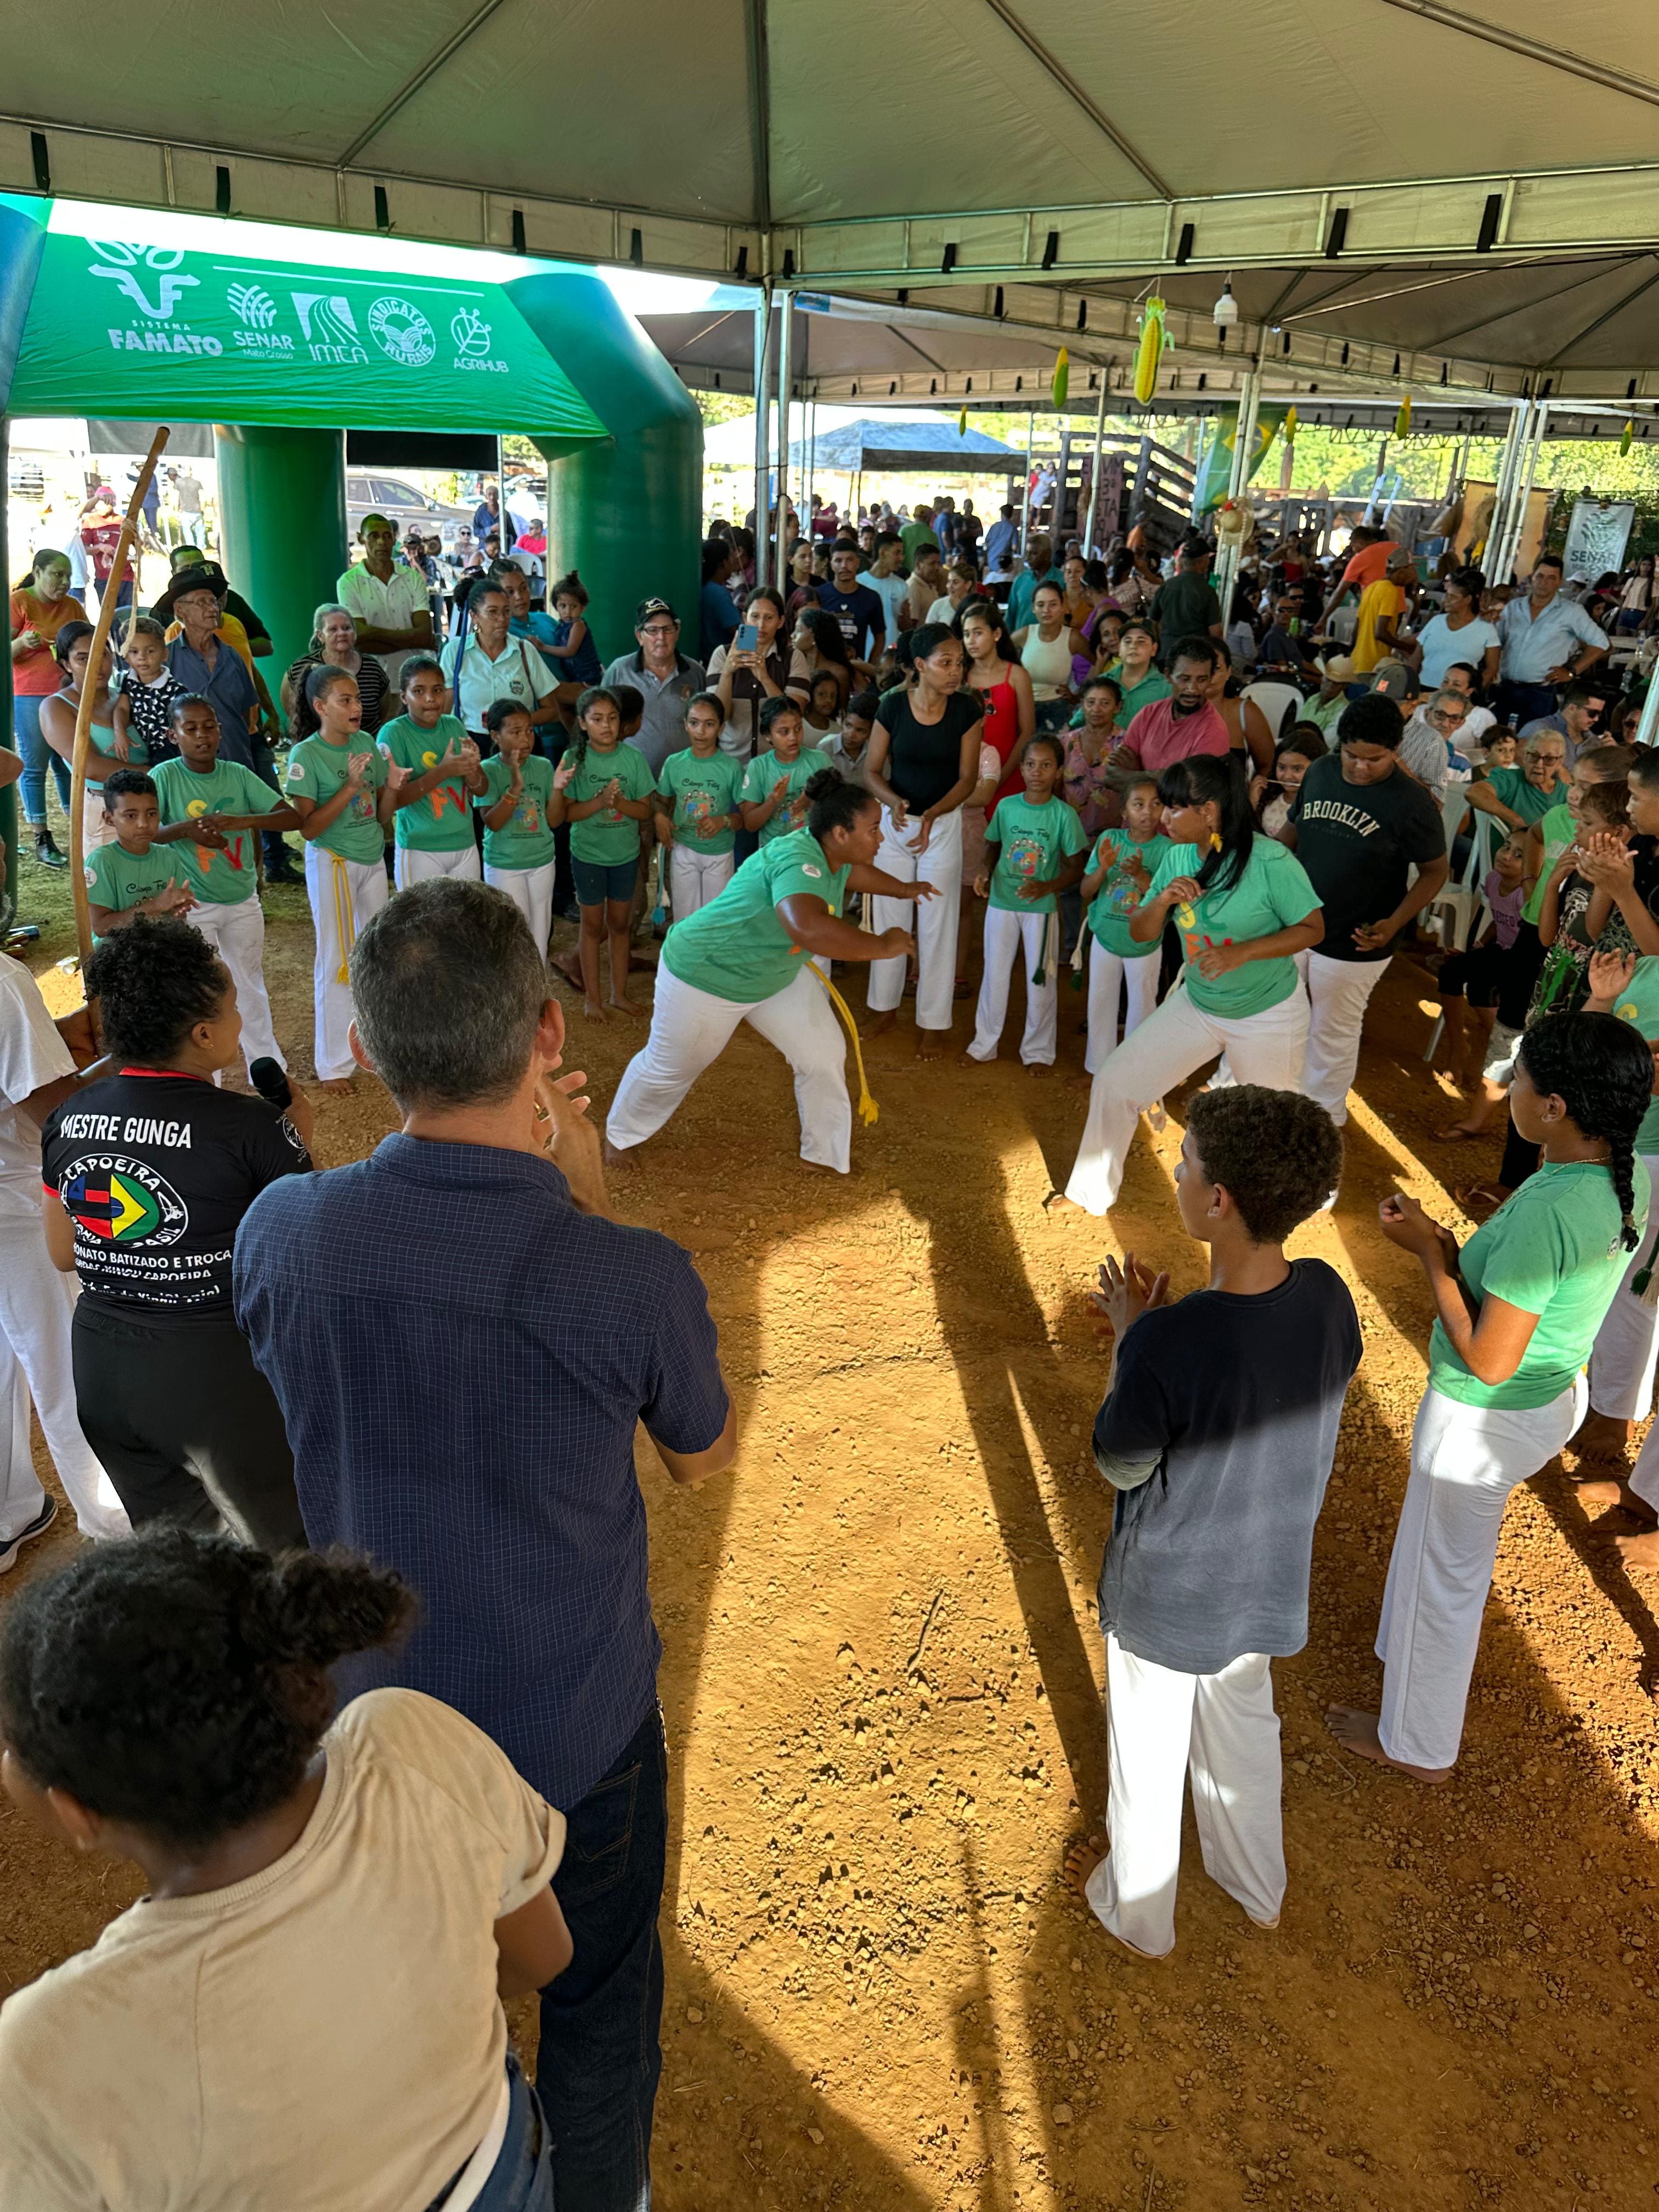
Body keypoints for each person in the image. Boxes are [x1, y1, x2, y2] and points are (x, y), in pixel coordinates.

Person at [235, 879, 734, 2204]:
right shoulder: (628, 1276)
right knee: (601, 2002)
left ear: (368, 1046)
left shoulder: (281, 1232)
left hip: (372, 1730)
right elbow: (700, 1459)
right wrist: (585, 1202)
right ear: (548, 1033)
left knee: (419, 1993)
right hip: (576, 1727)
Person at [0, 1528, 572, 2212]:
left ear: (78, 1814)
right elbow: (543, 1956)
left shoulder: (52, 2053)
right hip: (505, 2171)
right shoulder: (410, 1741)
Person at [1065, 1086, 1358, 1958]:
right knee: (1244, 1730)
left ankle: (1139, 1917)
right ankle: (1257, 1887)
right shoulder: (1328, 1295)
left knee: (1147, 1754)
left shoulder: (1171, 1342)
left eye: (1185, 1165)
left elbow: (1120, 1462)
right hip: (1265, 1580)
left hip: (1169, 1595)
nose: (1178, 1176)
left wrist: (1133, 1341)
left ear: (1219, 1200)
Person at [1329, 1011, 1651, 1780]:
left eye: (1520, 1078)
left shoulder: (1552, 1208)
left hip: (1483, 1417)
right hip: (1550, 1394)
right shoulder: (1619, 1171)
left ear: (1556, 1107)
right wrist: (1449, 1246)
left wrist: (1429, 1257)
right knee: (1432, 1548)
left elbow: (1489, 1359)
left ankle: (1418, 1745)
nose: (1508, 1087)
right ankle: (1400, 1654)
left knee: (1448, 1580)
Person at [39, 921, 311, 1547]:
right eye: (233, 1009)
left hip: (104, 1369)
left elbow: (62, 1252)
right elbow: (299, 1249)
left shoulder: (67, 1116)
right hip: (215, 1376)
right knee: (277, 1557)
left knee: (178, 1560)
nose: (239, 1022)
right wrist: (298, 1138)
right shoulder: (252, 1127)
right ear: (203, 1034)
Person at [608, 771, 929, 1172]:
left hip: (773, 973)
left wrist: (904, 889)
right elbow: (806, 927)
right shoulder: (798, 860)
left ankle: (824, 1154)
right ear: (840, 834)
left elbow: (851, 873)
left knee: (823, 1055)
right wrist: (882, 946)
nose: (881, 839)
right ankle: (620, 1136)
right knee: (671, 1067)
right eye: (874, 830)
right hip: (707, 975)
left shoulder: (831, 854)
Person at [1059, 753, 1323, 1217]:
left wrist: (1242, 952)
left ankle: (1275, 1216)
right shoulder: (1177, 856)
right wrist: (1161, 900)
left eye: (1175, 807)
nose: (1163, 816)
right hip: (1199, 1004)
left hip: (1267, 1015)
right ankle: (1088, 1193)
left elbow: (1312, 929)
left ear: (1210, 812)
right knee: (1116, 1083)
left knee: (1273, 1124)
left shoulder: (1270, 860)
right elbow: (1140, 934)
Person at [0, 885, 128, 1556]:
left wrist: (57, 1036)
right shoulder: (3, 979)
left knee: (8, 1354)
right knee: (66, 1364)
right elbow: (58, 1114)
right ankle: (117, 1531)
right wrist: (130, 1059)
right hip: (15, 1198)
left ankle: (7, 1511)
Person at [1283, 693, 1448, 1126]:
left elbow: (1435, 872)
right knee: (1284, 1016)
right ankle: (1281, 1103)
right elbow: (1291, 834)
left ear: (1397, 750)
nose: (1360, 767)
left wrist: (1395, 923)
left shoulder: (1412, 803)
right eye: (1351, 755)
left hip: (1358, 935)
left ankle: (1322, 1121)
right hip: (1298, 922)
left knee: (1332, 1031)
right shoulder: (1320, 771)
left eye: (1375, 759)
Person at [151, 694, 299, 1074]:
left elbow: (291, 818)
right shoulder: (164, 777)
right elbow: (147, 832)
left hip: (241, 898)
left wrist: (242, 821)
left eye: (209, 727)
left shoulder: (238, 774)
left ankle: (267, 1068)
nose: (202, 736)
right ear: (173, 735)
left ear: (220, 731)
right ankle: (204, 1077)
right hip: (191, 903)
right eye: (191, 728)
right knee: (198, 990)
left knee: (249, 983)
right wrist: (187, 830)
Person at [860, 625, 983, 1058]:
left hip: (943, 825)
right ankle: (884, 1008)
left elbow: (967, 779)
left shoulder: (967, 710)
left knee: (937, 923)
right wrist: (894, 803)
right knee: (890, 916)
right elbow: (871, 771)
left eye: (959, 663)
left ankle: (934, 1022)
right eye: (945, 663)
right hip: (896, 825)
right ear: (919, 666)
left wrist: (933, 814)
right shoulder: (892, 707)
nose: (955, 671)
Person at [283, 666, 397, 1090]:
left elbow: (381, 815)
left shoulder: (366, 742)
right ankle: (333, 1064)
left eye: (358, 699)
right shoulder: (306, 755)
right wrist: (349, 787)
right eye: (345, 700)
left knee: (376, 955)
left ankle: (375, 1047)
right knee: (336, 960)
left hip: (371, 858)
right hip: (334, 862)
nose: (357, 707)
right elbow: (309, 829)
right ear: (320, 707)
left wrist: (394, 786)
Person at [963, 734, 1088, 1071]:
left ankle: (1038, 1052)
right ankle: (983, 1045)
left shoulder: (1063, 815)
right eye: (1031, 764)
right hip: (1002, 903)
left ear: (1059, 771)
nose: (1037, 772)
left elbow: (1076, 867)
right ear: (1021, 768)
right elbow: (993, 845)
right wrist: (984, 870)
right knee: (994, 975)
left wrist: (1048, 886)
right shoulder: (1007, 807)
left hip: (1041, 910)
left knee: (1041, 980)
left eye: (1046, 766)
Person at [551, 685, 657, 1020]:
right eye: (597, 719)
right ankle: (593, 1000)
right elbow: (566, 814)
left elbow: (645, 811)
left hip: (625, 856)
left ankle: (618, 995)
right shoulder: (574, 759)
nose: (606, 726)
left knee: (620, 926)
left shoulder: (633, 758)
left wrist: (619, 803)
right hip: (589, 857)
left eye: (612, 718)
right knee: (592, 927)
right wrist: (599, 802)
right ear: (583, 723)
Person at [1079, 773, 1171, 1075]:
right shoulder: (1110, 840)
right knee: (1100, 1004)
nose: (1147, 812)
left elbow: (1164, 899)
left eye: (1156, 804)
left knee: (1142, 1007)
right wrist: (1103, 869)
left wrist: (1142, 876)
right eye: (1138, 804)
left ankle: (1133, 1074)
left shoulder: (1168, 849)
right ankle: (1099, 1069)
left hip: (1144, 943)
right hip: (1106, 937)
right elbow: (1086, 891)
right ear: (1124, 812)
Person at [376, 655, 487, 888]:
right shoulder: (393, 733)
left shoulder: (454, 725)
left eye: (437, 690)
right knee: (421, 913)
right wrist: (443, 771)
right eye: (419, 691)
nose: (430, 698)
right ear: (404, 697)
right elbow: (392, 801)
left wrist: (472, 769)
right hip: (420, 847)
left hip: (465, 843)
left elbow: (481, 789)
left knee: (465, 912)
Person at [10, 546, 84, 867]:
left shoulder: (73, 606)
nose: (65, 582)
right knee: (34, 765)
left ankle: (79, 829)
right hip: (30, 694)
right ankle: (41, 836)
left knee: (70, 762)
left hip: (68, 694)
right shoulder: (19, 602)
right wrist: (20, 644)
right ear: (38, 572)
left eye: (68, 576)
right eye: (57, 574)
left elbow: (88, 643)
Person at [476, 700, 560, 955]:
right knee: (512, 934)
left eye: (529, 731)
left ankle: (539, 980)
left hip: (542, 861)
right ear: (495, 736)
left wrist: (559, 789)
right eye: (515, 732)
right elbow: (493, 822)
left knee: (540, 932)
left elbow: (554, 820)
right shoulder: (488, 770)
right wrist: (515, 788)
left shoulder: (543, 766)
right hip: (505, 864)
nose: (525, 739)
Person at [40, 622, 130, 850]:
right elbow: (90, 767)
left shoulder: (125, 697)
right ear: (66, 665)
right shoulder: (56, 707)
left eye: (102, 654)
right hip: (105, 812)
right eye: (83, 659)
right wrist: (160, 774)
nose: (96, 664)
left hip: (154, 808)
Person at [1494, 553, 1609, 731]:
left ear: (1559, 582)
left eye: (1551, 578)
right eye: (1540, 576)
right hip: (1506, 687)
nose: (1544, 582)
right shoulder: (1513, 607)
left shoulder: (1571, 612)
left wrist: (1571, 672)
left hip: (1540, 692)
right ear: (1532, 578)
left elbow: (1600, 643)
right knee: (1498, 739)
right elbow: (1496, 642)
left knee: (1531, 741)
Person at [656, 691, 745, 918]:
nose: (701, 731)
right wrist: (660, 817)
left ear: (721, 728)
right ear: (685, 724)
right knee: (685, 917)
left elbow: (743, 819)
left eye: (709, 724)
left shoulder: (731, 768)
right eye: (694, 723)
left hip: (719, 854)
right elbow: (661, 801)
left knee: (715, 918)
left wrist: (723, 820)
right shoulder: (674, 763)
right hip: (683, 849)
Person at [160, 567, 260, 768]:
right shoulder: (167, 659)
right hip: (191, 772)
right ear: (181, 611)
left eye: (214, 601)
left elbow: (246, 714)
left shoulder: (233, 656)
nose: (213, 609)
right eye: (202, 602)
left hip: (237, 763)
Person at [442, 580, 561, 744]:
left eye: (506, 611)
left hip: (520, 744)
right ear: (475, 617)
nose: (502, 619)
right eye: (493, 612)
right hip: (472, 745)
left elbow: (552, 710)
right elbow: (444, 712)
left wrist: (515, 723)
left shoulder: (524, 651)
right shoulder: (456, 652)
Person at [83, 771, 195, 942]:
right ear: (109, 819)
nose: (143, 824)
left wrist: (178, 908)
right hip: (117, 952)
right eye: (131, 816)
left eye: (151, 814)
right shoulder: (102, 861)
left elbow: (177, 917)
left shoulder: (169, 856)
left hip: (159, 947)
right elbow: (101, 927)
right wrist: (155, 906)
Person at [599, 599, 707, 776]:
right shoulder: (619, 671)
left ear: (677, 632)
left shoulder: (696, 673)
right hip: (631, 777)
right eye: (652, 630)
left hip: (685, 779)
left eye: (667, 629)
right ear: (639, 636)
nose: (661, 638)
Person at [336, 514, 434, 688]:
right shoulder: (349, 582)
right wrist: (411, 640)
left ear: (394, 539)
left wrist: (371, 632)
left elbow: (424, 635)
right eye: (374, 536)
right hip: (370, 684)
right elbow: (358, 640)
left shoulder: (413, 578)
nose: (381, 542)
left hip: (412, 683)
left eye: (387, 536)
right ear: (361, 538)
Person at [1110, 637, 1231, 774]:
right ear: (1168, 676)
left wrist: (1136, 772)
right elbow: (1113, 773)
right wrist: (1160, 777)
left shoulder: (1214, 730)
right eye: (1184, 679)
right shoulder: (1148, 714)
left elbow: (1191, 785)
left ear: (1210, 679)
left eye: (1202, 680)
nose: (1192, 689)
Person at [281, 604, 391, 739]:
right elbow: (292, 709)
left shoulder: (372, 667)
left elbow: (384, 710)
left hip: (367, 744)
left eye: (347, 628)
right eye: (333, 629)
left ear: (355, 633)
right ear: (320, 636)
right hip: (319, 746)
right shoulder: (303, 667)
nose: (342, 633)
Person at [739, 695, 834, 849]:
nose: (793, 737)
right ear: (768, 736)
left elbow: (836, 812)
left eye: (798, 729)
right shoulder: (758, 767)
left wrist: (810, 802)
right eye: (784, 732)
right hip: (774, 851)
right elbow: (750, 824)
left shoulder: (820, 760)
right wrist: (773, 801)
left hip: (813, 848)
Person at [113, 614, 189, 770]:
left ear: (165, 654)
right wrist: (120, 733)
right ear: (126, 657)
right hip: (142, 750)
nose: (142, 657)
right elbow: (122, 708)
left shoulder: (176, 691)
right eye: (134, 652)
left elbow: (184, 730)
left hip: (171, 755)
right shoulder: (130, 680)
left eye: (150, 651)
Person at [1409, 564, 1499, 691]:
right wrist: (1410, 687)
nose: (1445, 600)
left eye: (1452, 597)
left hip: (1458, 694)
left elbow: (1492, 669)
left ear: (1468, 600)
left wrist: (1472, 692)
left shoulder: (1486, 629)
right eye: (1447, 595)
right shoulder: (1436, 622)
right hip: (1423, 688)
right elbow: (1416, 658)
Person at [1012, 579, 1083, 733]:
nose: (1046, 610)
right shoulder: (1025, 634)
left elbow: (1098, 663)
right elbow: (998, 656)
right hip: (1024, 710)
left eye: (1053, 604)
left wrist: (1077, 696)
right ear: (1033, 608)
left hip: (1057, 713)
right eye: (1041, 605)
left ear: (1063, 606)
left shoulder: (1073, 638)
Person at [1149, 540, 1224, 657]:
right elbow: (1216, 632)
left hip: (1166, 651)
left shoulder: (1166, 586)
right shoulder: (1207, 591)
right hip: (1195, 655)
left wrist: (1158, 645)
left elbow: (1151, 622)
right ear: (1202, 561)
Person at [818, 541, 887, 663]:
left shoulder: (871, 598)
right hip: (824, 669)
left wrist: (870, 669)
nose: (844, 566)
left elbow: (880, 638)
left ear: (858, 563)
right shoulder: (819, 595)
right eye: (838, 561)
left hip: (856, 669)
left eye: (850, 560)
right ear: (832, 565)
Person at [1349, 547, 1413, 675]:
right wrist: (1408, 648)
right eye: (1410, 571)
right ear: (1402, 571)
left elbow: (1356, 630)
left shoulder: (1371, 588)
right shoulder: (1390, 590)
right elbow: (1380, 633)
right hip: (1374, 665)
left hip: (1357, 661)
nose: (1411, 576)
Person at [1518, 681, 1604, 770]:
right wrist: (1558, 771)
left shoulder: (1594, 742)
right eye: (1592, 714)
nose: (1596, 719)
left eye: (1599, 715)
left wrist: (1610, 754)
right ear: (1572, 708)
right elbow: (1518, 754)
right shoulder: (1540, 728)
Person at [699, 537, 743, 661]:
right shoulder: (717, 593)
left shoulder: (706, 588)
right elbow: (739, 632)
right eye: (731, 558)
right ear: (723, 563)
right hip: (721, 659)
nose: (734, 561)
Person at [1007, 535, 1063, 630]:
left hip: (1051, 637)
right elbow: (1010, 616)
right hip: (1020, 637)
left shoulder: (1061, 580)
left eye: (1034, 554)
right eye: (1027, 553)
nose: (1028, 558)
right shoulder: (1021, 580)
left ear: (1047, 555)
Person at [983, 504, 1018, 577]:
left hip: (991, 562)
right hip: (1004, 565)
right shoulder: (1013, 528)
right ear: (1011, 514)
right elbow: (1014, 547)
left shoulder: (994, 526)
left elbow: (987, 542)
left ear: (1002, 514)